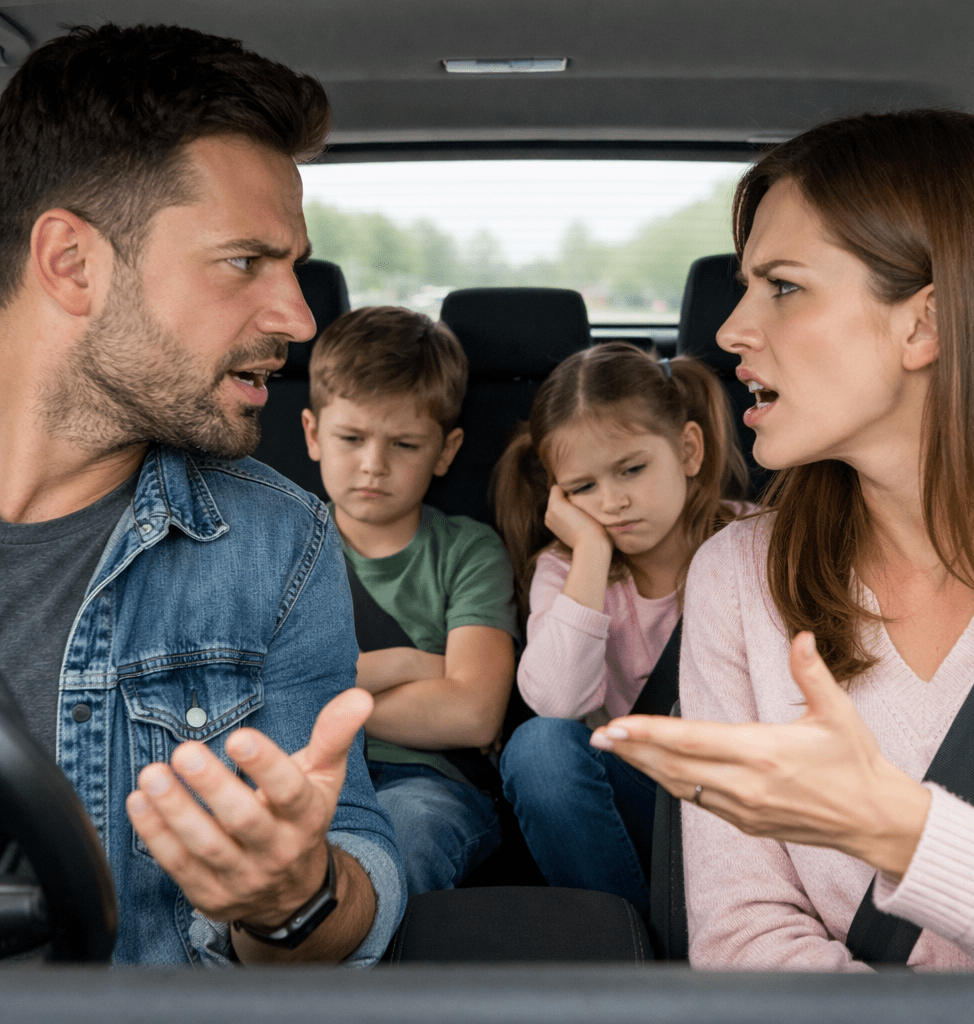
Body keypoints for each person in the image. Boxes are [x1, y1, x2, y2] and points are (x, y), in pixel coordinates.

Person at [0, 24, 404, 966]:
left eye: (295, 266)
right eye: (244, 262)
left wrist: (292, 898)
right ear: (72, 263)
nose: (299, 318)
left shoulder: (275, 544)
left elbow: (342, 889)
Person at [591, 109, 974, 971]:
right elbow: (743, 937)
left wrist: (895, 830)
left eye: (783, 286)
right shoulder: (743, 576)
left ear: (923, 325)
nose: (729, 331)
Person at [493, 342, 747, 915]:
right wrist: (588, 550)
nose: (612, 501)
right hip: (637, 803)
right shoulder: (566, 571)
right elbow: (557, 702)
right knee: (539, 750)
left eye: (632, 469)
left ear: (688, 448)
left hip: (742, 804)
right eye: (582, 488)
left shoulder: (754, 543)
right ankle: (633, 958)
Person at [300, 306, 517, 895]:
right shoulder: (282, 546)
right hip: (300, 777)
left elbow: (472, 713)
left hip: (430, 782)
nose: (374, 464)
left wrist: (320, 696)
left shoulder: (467, 552)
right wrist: (407, 667)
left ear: (445, 451)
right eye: (351, 438)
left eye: (404, 443)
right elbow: (251, 698)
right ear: (313, 434)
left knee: (405, 833)